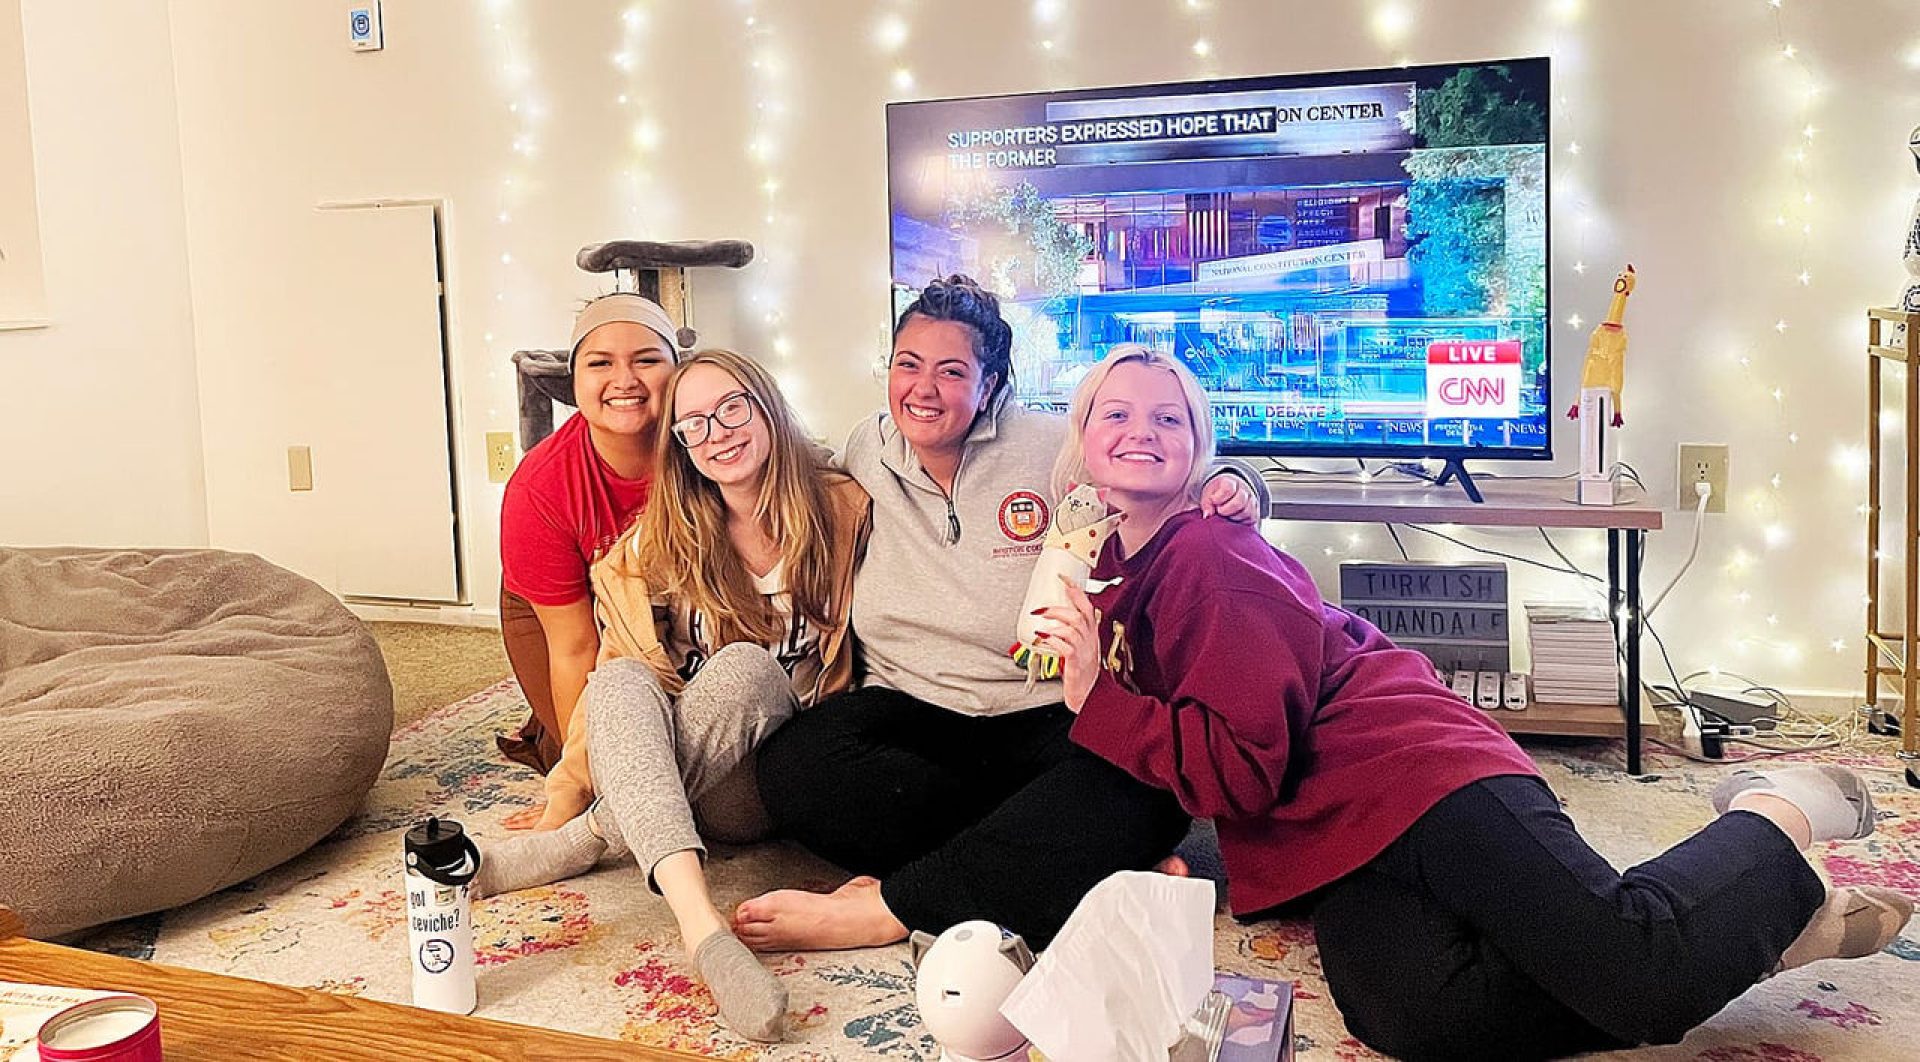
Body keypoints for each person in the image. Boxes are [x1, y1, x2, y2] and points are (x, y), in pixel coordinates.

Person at [1037, 343, 1917, 1061]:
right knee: (1413, 1019)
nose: (1140, 430)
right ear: (1081, 436)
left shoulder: (1210, 555)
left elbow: (1242, 768)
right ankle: (1762, 935)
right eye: (1116, 412)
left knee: (1637, 973)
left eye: (1169, 417)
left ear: (1201, 449)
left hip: (1417, 770)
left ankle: (1778, 812)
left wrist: (1097, 702)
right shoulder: (1109, 562)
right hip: (1334, 831)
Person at [736, 276, 1262, 953]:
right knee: (793, 768)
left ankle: (893, 905)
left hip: (1044, 714)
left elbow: (1173, 468)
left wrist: (1242, 486)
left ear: (990, 384)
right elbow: (773, 471)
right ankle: (1065, 868)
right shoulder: (865, 449)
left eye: (951, 371)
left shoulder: (1051, 445)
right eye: (907, 364)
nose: (923, 389)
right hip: (913, 710)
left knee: (1147, 790)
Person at [475, 349, 869, 1042]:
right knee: (620, 679)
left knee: (747, 667)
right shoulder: (658, 538)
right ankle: (703, 929)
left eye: (732, 409)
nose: (717, 433)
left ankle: (592, 838)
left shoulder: (843, 509)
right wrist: (567, 784)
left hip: (767, 779)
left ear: (767, 407)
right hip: (681, 774)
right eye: (693, 425)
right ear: (681, 446)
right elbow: (620, 676)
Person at [496, 293, 678, 824]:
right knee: (598, 764)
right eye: (600, 363)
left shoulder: (706, 444)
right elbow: (574, 647)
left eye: (646, 360)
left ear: (678, 370)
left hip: (661, 606)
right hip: (560, 617)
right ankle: (542, 734)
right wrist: (580, 777)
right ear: (574, 381)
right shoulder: (541, 487)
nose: (625, 380)